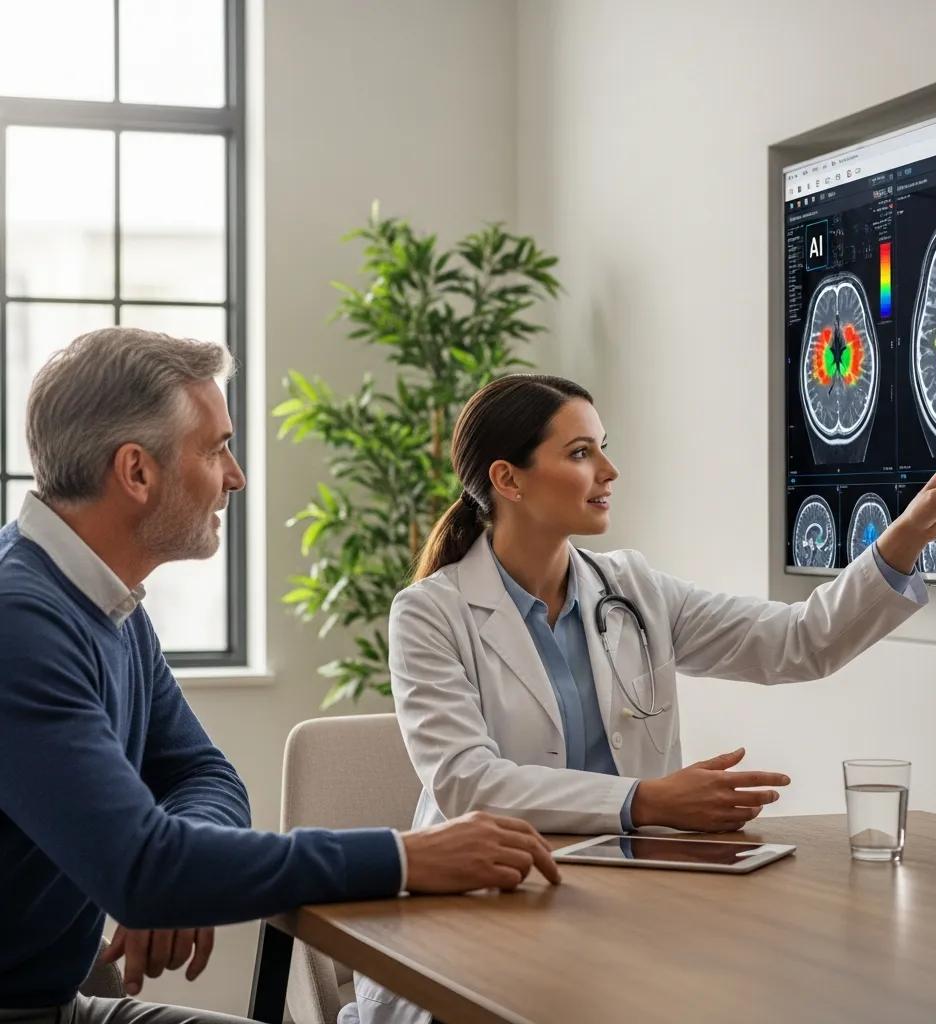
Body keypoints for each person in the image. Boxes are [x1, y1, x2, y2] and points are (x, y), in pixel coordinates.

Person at [362, 373, 936, 1024]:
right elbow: (467, 783)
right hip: (483, 905)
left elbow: (800, 641)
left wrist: (911, 532)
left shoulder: (634, 589)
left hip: (624, 907)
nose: (609, 471)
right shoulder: (429, 614)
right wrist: (649, 800)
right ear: (509, 479)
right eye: (581, 453)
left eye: (603, 447)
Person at [0, 329, 560, 1024]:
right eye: (215, 449)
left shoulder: (103, 599)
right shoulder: (20, 622)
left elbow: (204, 776)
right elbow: (146, 870)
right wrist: (408, 858)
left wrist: (176, 878)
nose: (234, 476)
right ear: (137, 472)